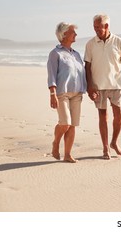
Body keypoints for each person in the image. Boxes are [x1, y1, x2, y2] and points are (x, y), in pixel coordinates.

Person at [84, 14, 121, 160]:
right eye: (94, 27)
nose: (96, 30)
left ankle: (114, 142)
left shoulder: (119, 42)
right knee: (103, 116)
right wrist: (90, 86)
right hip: (98, 85)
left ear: (106, 26)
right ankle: (105, 147)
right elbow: (87, 66)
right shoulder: (90, 44)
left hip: (117, 84)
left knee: (119, 115)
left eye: (99, 27)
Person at [47, 22, 87, 163]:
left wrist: (89, 89)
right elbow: (51, 75)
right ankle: (56, 143)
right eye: (72, 32)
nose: (75, 34)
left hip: (77, 93)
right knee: (65, 123)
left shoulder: (76, 54)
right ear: (64, 35)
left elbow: (82, 73)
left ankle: (67, 155)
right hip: (62, 93)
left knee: (73, 125)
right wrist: (52, 94)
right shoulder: (55, 53)